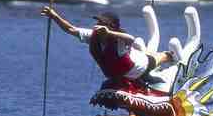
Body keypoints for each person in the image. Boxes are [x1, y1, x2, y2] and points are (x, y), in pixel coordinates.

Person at [41, 6, 176, 83]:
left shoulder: (118, 38)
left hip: (140, 66)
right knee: (145, 52)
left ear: (111, 27)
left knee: (160, 58)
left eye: (102, 23)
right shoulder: (93, 35)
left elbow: (130, 39)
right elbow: (71, 29)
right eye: (98, 22)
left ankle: (171, 56)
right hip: (121, 71)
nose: (98, 25)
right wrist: (54, 16)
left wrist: (109, 33)